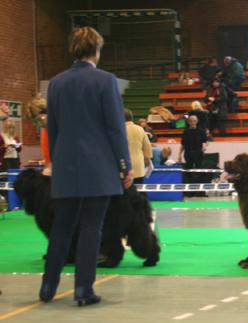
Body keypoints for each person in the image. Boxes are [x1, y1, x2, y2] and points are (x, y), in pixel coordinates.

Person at [41, 26, 133, 306]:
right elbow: (116, 128)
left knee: (62, 227)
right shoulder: (106, 81)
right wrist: (124, 164)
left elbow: (52, 129)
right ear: (97, 49)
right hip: (99, 166)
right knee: (92, 228)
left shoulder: (55, 83)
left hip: (66, 164)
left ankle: (48, 287)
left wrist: (56, 160)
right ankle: (83, 290)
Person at [124, 109, 152, 184]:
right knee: (139, 191)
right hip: (139, 165)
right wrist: (147, 159)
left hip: (124, 166)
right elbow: (147, 146)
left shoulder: (119, 130)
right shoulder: (140, 129)